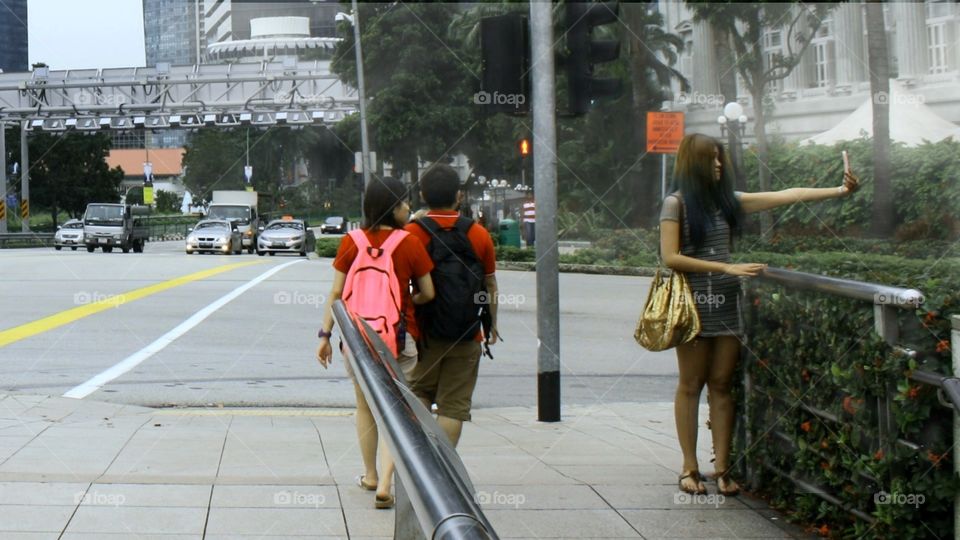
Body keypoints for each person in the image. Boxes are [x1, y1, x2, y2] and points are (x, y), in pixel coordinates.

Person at [659, 133, 858, 496]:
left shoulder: (728, 203)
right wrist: (727, 269)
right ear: (693, 164)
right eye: (712, 159)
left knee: (721, 384)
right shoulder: (676, 204)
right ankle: (690, 468)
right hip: (693, 307)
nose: (719, 165)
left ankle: (723, 468)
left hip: (727, 304)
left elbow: (788, 195)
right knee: (691, 385)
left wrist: (838, 191)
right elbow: (670, 257)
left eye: (720, 158)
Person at [316, 177, 435, 509]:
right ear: (392, 207)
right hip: (398, 339)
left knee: (366, 406)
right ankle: (386, 482)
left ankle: (369, 475)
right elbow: (428, 292)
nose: (408, 208)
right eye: (404, 203)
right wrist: (406, 298)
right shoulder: (408, 243)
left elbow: (337, 294)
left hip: (356, 340)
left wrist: (325, 335)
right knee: (398, 411)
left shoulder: (350, 242)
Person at [405, 164, 498, 447]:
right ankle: (445, 467)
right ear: (458, 196)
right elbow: (489, 285)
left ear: (422, 194)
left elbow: (401, 285)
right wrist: (492, 324)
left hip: (424, 334)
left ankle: (421, 460)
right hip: (467, 332)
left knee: (418, 393)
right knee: (453, 406)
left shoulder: (411, 233)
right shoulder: (479, 234)